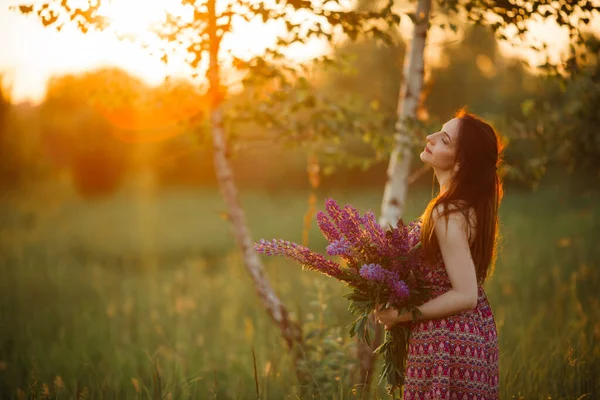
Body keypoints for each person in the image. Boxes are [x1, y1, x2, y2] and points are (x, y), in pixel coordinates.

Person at [374, 108, 503, 399]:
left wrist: (401, 314)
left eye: (444, 139)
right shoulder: (462, 206)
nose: (430, 137)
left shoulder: (447, 212)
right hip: (465, 335)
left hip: (447, 342)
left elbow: (466, 293)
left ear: (459, 164)